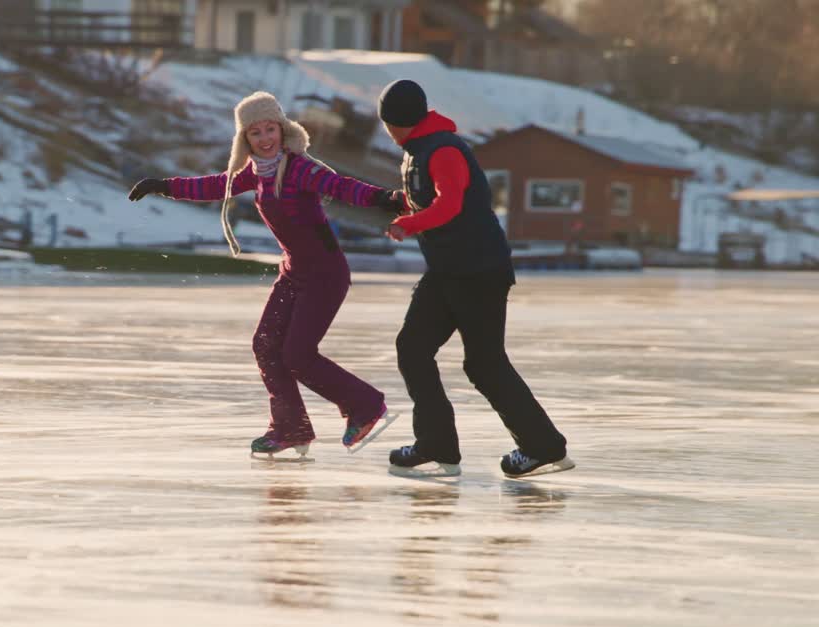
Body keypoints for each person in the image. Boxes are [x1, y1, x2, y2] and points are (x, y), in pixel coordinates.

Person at [128, 91, 400, 459]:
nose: (265, 138)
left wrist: (386, 198)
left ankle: (366, 405)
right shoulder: (254, 172)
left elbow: (342, 186)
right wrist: (163, 185)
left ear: (283, 129)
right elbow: (214, 185)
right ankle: (290, 427)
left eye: (270, 128)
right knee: (266, 346)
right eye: (255, 133)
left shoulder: (300, 167)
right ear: (245, 139)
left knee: (299, 354)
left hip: (325, 273)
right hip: (294, 272)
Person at [376, 79, 573, 479]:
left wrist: (410, 223)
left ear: (393, 122)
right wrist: (402, 203)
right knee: (412, 348)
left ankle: (543, 447)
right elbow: (432, 198)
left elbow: (451, 204)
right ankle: (437, 445)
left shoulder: (444, 149)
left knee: (484, 364)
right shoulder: (418, 150)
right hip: (448, 271)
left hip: (479, 272)